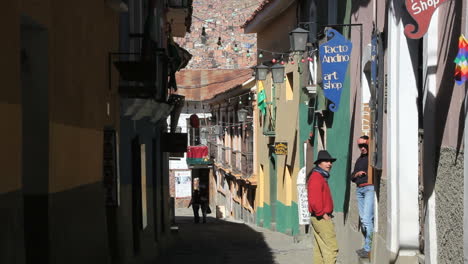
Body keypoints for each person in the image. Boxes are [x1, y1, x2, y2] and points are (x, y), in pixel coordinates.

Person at [307, 150, 339, 264]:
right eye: (326, 161)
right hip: (321, 218)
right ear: (319, 163)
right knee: (332, 249)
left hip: (319, 217)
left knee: (320, 250)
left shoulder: (320, 176)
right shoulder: (316, 177)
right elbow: (314, 201)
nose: (329, 164)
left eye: (330, 162)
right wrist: (323, 214)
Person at [351, 135, 374, 258]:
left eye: (365, 145)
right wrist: (357, 174)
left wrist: (360, 175)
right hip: (359, 190)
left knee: (366, 219)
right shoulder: (360, 159)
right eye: (360, 146)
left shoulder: (371, 159)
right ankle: (367, 245)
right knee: (364, 219)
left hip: (369, 188)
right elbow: (351, 177)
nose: (363, 148)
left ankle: (368, 248)